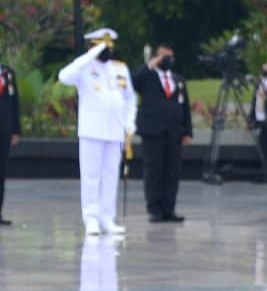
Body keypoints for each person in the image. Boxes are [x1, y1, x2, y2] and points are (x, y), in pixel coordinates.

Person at [58, 28, 136, 236]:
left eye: (109, 47)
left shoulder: (120, 68)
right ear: (92, 47)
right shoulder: (83, 68)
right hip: (92, 131)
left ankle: (107, 218)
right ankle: (91, 219)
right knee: (91, 177)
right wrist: (90, 55)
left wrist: (129, 124)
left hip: (116, 131)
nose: (107, 51)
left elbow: (130, 98)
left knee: (111, 177)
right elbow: (63, 76)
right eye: (102, 47)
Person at [131, 45, 193, 223]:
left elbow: (185, 107)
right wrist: (149, 65)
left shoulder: (178, 80)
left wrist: (187, 131)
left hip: (174, 132)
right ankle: (154, 208)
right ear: (157, 58)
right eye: (164, 57)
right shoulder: (147, 76)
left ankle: (169, 209)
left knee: (172, 171)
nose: (168, 61)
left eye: (171, 57)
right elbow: (132, 82)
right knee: (154, 171)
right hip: (153, 130)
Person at [0, 55, 19, 226]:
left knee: (1, 173)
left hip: (4, 131)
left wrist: (15, 130)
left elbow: (14, 103)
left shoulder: (8, 74)